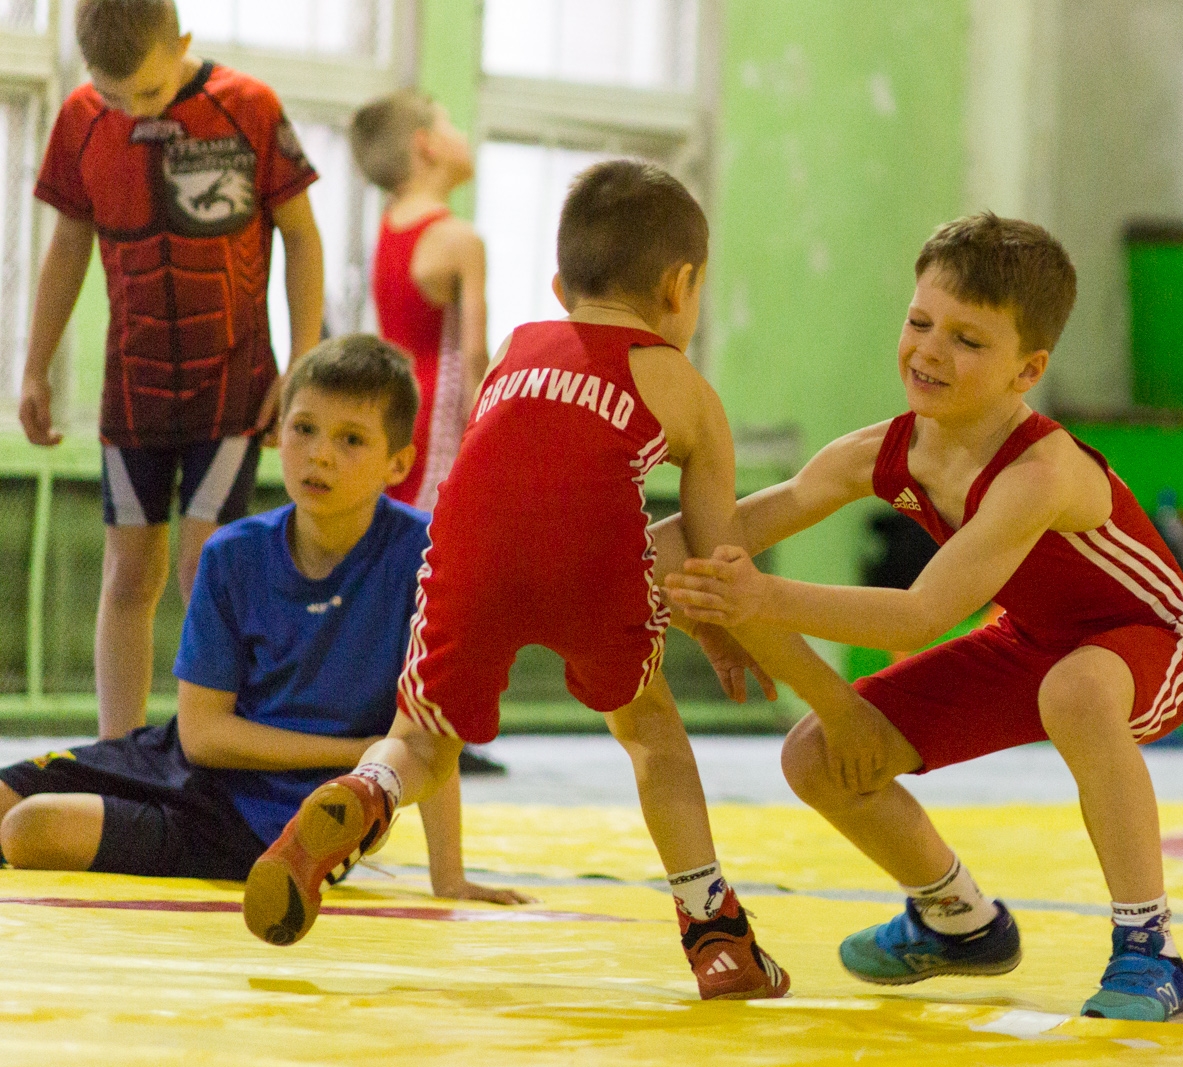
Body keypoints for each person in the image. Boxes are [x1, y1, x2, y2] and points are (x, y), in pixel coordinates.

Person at [242, 160, 854, 1001]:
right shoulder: (686, 389)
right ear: (681, 288)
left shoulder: (515, 349)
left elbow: (508, 469)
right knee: (650, 733)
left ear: (562, 286)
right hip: (590, 561)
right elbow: (720, 562)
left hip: (469, 546)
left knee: (422, 737)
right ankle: (716, 934)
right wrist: (719, 630)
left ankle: (369, 787)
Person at [664, 213, 1183, 1023]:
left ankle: (1150, 950)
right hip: (1033, 643)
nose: (929, 351)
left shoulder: (1041, 471)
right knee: (819, 757)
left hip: (1153, 644)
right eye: (920, 322)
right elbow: (728, 527)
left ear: (1028, 370)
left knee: (1076, 691)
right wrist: (605, 553)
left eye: (967, 339)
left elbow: (919, 615)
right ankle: (957, 919)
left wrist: (762, 598)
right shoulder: (880, 451)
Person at [0, 335, 520, 910]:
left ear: (398, 463)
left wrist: (449, 878)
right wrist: (360, 751)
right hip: (179, 759)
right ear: (279, 435)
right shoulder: (234, 552)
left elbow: (432, 732)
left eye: (350, 439)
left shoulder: (427, 557)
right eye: (304, 429)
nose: (320, 455)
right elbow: (202, 736)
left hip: (268, 820)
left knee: (30, 829)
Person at [16, 0, 326, 741]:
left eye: (149, 92)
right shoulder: (81, 118)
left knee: (205, 570)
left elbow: (303, 238)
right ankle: (118, 749)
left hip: (232, 383)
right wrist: (33, 367)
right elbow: (67, 247)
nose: (134, 110)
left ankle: (221, 743)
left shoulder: (249, 107)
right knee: (128, 575)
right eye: (114, 95)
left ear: (182, 43)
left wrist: (304, 362)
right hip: (135, 389)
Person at [351, 90, 489, 513]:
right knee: (429, 534)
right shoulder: (459, 240)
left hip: (390, 406)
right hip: (438, 416)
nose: (463, 136)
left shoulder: (389, 222)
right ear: (426, 144)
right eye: (451, 125)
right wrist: (485, 442)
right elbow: (474, 357)